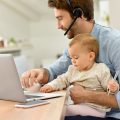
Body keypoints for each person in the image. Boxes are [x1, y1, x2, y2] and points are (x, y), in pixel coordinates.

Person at [21, 0, 120, 120]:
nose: (58, 26)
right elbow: (54, 71)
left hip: (112, 115)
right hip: (84, 109)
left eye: (60, 18)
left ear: (79, 14)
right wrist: (41, 73)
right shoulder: (76, 47)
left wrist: (86, 96)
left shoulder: (115, 43)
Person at [40, 34, 119, 118]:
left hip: (96, 109)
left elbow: (110, 85)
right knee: (60, 107)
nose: (73, 61)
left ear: (91, 56)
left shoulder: (100, 69)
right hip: (79, 105)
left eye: (76, 57)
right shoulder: (72, 69)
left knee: (63, 111)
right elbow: (62, 79)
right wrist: (50, 86)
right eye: (71, 58)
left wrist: (113, 88)